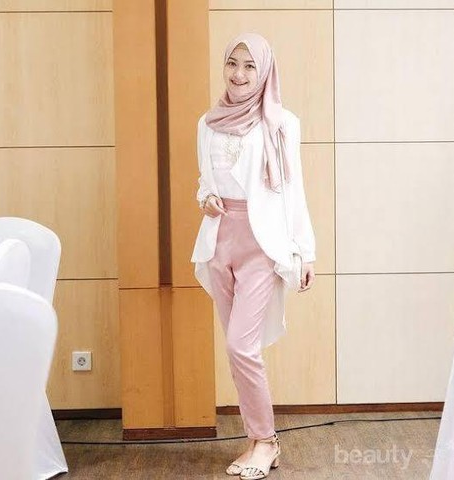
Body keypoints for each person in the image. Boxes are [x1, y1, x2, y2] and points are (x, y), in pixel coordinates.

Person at [190, 32, 316, 480]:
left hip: (262, 244)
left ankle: (266, 441)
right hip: (219, 241)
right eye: (232, 63)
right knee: (238, 350)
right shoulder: (208, 122)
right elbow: (205, 180)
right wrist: (205, 197)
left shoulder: (281, 123)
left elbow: (293, 190)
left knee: (241, 346)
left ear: (264, 72)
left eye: (250, 66)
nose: (239, 74)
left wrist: (304, 251)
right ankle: (256, 440)